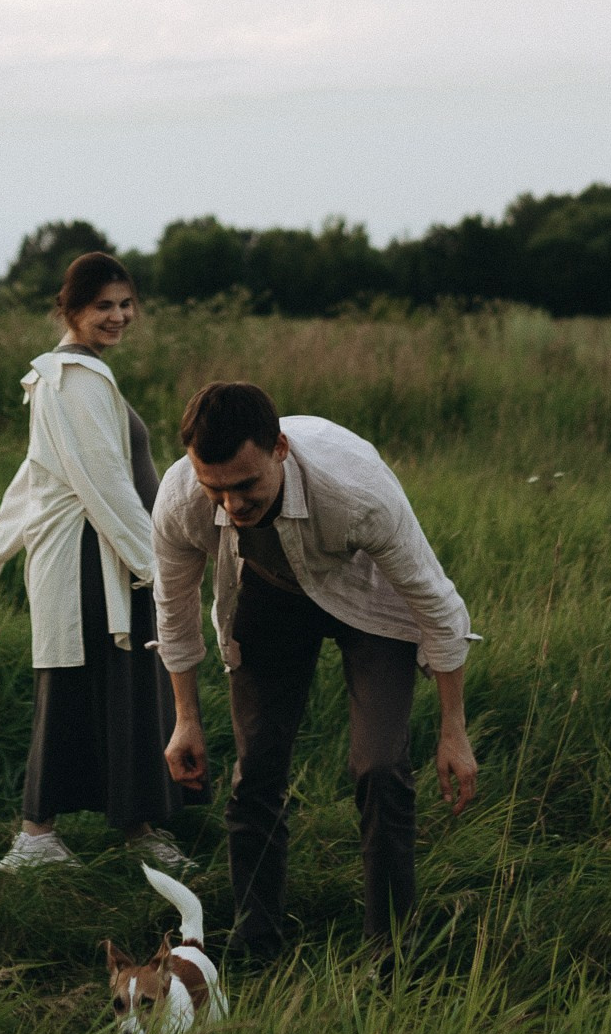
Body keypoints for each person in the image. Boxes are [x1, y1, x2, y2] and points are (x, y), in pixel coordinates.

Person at [154, 380, 479, 962]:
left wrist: (453, 728)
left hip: (369, 602)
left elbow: (437, 604)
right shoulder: (181, 500)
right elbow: (174, 610)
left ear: (279, 448)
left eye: (246, 485)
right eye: (215, 489)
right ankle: (256, 949)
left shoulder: (356, 492)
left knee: (380, 766)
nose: (231, 505)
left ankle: (392, 955)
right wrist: (185, 720)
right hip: (268, 597)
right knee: (256, 771)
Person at [0, 252, 189, 875]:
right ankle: (36, 837)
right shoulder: (75, 380)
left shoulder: (73, 377)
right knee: (83, 686)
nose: (119, 317)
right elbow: (105, 485)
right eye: (103, 307)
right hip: (101, 559)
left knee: (130, 688)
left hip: (112, 555)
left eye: (125, 304)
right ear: (69, 310)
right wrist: (157, 565)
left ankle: (138, 827)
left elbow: (38, 471)